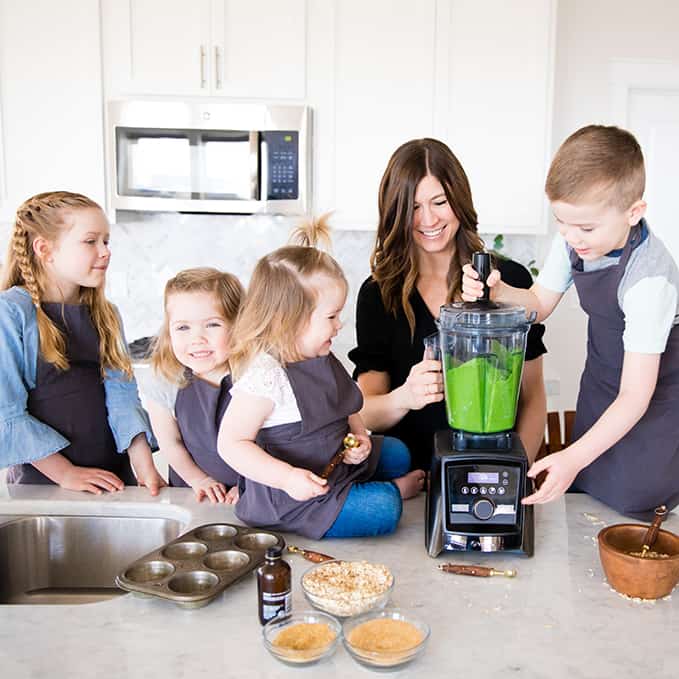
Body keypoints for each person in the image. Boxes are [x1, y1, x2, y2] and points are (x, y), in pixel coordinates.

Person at [462, 125, 679, 519]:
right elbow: (539, 304)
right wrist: (498, 292)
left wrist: (570, 456)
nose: (570, 236)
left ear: (634, 212)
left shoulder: (650, 280)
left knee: (629, 511)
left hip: (650, 405)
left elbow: (635, 395)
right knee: (586, 502)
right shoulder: (574, 240)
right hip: (601, 389)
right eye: (561, 221)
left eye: (585, 228)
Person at [217, 218, 425, 539]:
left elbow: (346, 406)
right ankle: (389, 490)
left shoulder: (320, 353)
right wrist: (287, 478)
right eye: (331, 316)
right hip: (294, 496)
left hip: (333, 462)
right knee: (384, 507)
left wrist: (360, 438)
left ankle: (362, 485)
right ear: (290, 320)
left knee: (399, 452)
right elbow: (231, 444)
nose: (339, 325)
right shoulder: (266, 375)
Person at [349, 138, 547, 471]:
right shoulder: (379, 294)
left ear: (459, 198)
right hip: (409, 478)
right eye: (412, 207)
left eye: (439, 202)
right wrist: (406, 396)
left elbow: (532, 397)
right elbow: (367, 410)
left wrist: (516, 473)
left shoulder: (507, 281)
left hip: (493, 469)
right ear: (396, 212)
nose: (428, 219)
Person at [0, 191, 163, 494]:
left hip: (113, 479)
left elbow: (123, 397)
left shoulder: (106, 314)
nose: (105, 251)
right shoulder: (11, 312)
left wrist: (143, 465)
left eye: (106, 241)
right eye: (91, 241)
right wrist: (66, 473)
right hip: (44, 485)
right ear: (45, 250)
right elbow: (6, 413)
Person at [144, 268, 243, 503]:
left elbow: (272, 442)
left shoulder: (256, 376)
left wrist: (254, 485)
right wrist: (199, 479)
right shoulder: (164, 378)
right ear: (169, 332)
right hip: (192, 494)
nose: (197, 339)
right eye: (183, 328)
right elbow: (170, 443)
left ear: (238, 325)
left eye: (212, 325)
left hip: (254, 493)